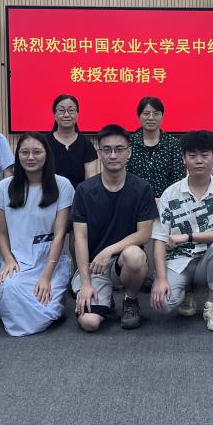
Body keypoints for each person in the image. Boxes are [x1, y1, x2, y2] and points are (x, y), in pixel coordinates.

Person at [72, 125, 158, 332]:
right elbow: (79, 239)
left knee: (135, 255)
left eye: (119, 149)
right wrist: (86, 283)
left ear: (129, 152)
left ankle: (131, 300)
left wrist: (108, 251)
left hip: (123, 262)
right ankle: (104, 298)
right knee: (89, 323)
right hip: (94, 266)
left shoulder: (142, 188)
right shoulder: (84, 190)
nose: (113, 155)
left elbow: (144, 234)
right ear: (99, 153)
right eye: (107, 150)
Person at [150, 131, 213, 332]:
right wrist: (161, 279)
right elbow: (159, 240)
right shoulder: (170, 194)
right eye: (192, 155)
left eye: (205, 155)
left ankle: (212, 305)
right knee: (162, 304)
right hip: (178, 261)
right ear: (183, 158)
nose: (199, 160)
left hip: (208, 260)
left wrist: (188, 237)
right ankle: (187, 291)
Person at [0, 132, 73, 336]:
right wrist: (9, 260)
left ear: (47, 155)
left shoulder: (62, 185)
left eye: (37, 152)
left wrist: (46, 277)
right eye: (25, 152)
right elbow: (1, 233)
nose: (31, 157)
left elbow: (60, 235)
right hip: (17, 257)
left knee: (45, 311)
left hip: (49, 259)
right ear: (17, 155)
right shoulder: (4, 187)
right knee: (11, 288)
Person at [126, 96, 185, 198]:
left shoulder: (173, 144)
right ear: (139, 116)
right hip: (134, 201)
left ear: (162, 116)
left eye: (156, 113)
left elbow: (178, 179)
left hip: (165, 202)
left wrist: (164, 200)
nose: (151, 118)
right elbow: (124, 175)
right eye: (146, 113)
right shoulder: (129, 142)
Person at [46, 93, 98, 192]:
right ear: (54, 114)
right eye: (61, 110)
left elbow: (90, 181)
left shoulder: (86, 145)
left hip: (79, 197)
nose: (66, 115)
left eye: (71, 110)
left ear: (77, 114)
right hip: (50, 196)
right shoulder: (44, 143)